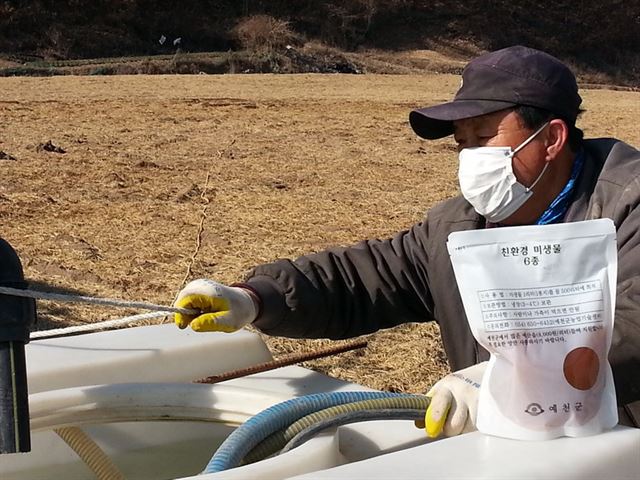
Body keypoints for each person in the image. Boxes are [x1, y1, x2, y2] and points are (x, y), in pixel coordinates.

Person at [174, 46, 640, 436]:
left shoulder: (626, 203)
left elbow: (633, 326)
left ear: (552, 138)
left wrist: (507, 381)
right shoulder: (461, 227)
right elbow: (367, 277)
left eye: (484, 136)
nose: (471, 158)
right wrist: (256, 298)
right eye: (462, 142)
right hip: (510, 445)